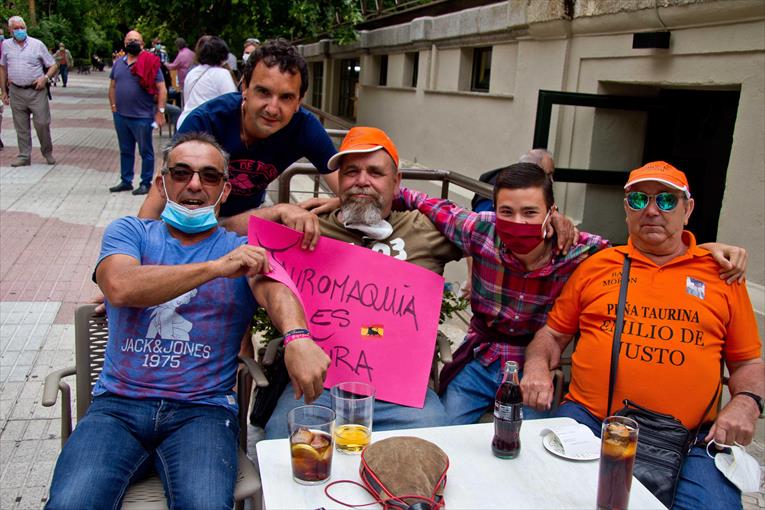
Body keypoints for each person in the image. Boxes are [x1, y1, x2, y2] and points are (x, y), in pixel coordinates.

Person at [45, 132, 329, 509]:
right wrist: (214, 269)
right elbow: (119, 285)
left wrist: (297, 337)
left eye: (210, 177)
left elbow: (274, 289)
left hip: (202, 412)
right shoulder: (130, 233)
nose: (195, 185)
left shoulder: (239, 249)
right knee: (71, 504)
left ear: (225, 191)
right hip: (118, 408)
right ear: (163, 183)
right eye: (181, 173)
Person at [395, 163, 747, 426]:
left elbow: (643, 253)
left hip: (536, 368)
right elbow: (421, 200)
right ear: (494, 211)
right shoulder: (479, 231)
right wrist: (349, 199)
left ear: (552, 213)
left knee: (532, 448)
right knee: (444, 433)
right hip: (481, 357)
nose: (518, 221)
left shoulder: (583, 251)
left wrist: (698, 251)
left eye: (530, 212)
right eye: (507, 212)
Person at [521, 161, 762, 509]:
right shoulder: (597, 266)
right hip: (592, 421)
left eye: (666, 200)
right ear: (626, 208)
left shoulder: (721, 275)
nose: (651, 210)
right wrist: (537, 368)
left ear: (687, 209)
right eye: (638, 200)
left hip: (691, 438)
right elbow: (552, 335)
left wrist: (746, 404)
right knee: (545, 493)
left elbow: (748, 363)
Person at [262, 127, 463, 439]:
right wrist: (277, 212)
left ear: (396, 182)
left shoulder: (423, 229)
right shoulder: (312, 229)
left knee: (439, 440)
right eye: (351, 172)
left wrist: (552, 222)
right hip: (322, 387)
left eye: (375, 172)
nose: (362, 180)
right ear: (339, 180)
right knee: (280, 438)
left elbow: (492, 234)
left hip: (401, 395)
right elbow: (232, 240)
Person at [137, 38, 339, 236]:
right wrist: (137, 249)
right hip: (189, 222)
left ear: (299, 101)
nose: (272, 108)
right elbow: (156, 199)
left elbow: (352, 186)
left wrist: (339, 202)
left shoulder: (305, 127)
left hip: (244, 223)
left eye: (286, 97)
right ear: (244, 88)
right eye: (263, 92)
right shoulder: (206, 121)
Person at [108, 30, 167, 196]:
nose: (132, 43)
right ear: (125, 43)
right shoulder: (119, 63)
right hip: (121, 115)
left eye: (136, 40)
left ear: (142, 44)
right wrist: (113, 106)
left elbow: (161, 89)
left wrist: (160, 111)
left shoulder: (150, 62)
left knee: (145, 151)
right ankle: (126, 181)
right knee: (125, 149)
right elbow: (112, 86)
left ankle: (145, 182)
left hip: (142, 116)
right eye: (129, 40)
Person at [0, 15, 58, 167]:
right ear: (10, 30)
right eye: (16, 28)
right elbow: (2, 67)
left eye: (22, 28)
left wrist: (44, 79)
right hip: (16, 91)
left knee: (42, 123)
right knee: (21, 126)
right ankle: (24, 156)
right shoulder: (6, 45)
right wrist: (3, 91)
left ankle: (47, 152)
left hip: (36, 91)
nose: (20, 31)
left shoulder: (37, 44)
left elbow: (53, 65)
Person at [176, 36, 237, 128]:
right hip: (206, 126)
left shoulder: (192, 73)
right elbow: (231, 104)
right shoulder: (222, 74)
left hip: (186, 123)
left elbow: (187, 100)